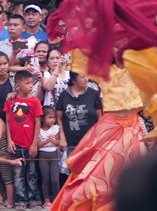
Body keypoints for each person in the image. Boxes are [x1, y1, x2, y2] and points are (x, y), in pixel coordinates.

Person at [51, 65, 146, 210]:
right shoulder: (108, 71)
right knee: (98, 175)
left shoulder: (138, 68)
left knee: (135, 174)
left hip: (132, 127)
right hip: (114, 127)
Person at [4, 70, 43, 209]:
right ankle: (20, 200)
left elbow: (38, 123)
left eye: (32, 83)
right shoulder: (10, 100)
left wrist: (34, 144)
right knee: (18, 175)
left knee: (32, 174)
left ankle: (34, 200)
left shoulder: (35, 101)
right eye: (27, 83)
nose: (31, 86)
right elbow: (8, 121)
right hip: (15, 145)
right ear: (18, 85)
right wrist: (9, 140)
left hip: (29, 145)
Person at [55, 71, 102, 154]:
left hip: (91, 142)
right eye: (82, 77)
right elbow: (59, 118)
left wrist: (99, 136)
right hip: (71, 143)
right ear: (73, 80)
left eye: (87, 76)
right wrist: (62, 138)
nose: (86, 79)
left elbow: (100, 117)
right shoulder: (64, 95)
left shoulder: (94, 94)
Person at [37, 106, 60, 208]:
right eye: (50, 117)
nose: (52, 120)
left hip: (54, 155)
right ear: (42, 118)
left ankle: (56, 198)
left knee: (55, 179)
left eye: (54, 117)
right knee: (45, 179)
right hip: (43, 156)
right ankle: (46, 199)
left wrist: (53, 141)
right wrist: (46, 141)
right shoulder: (39, 130)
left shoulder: (55, 128)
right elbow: (37, 145)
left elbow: (58, 142)